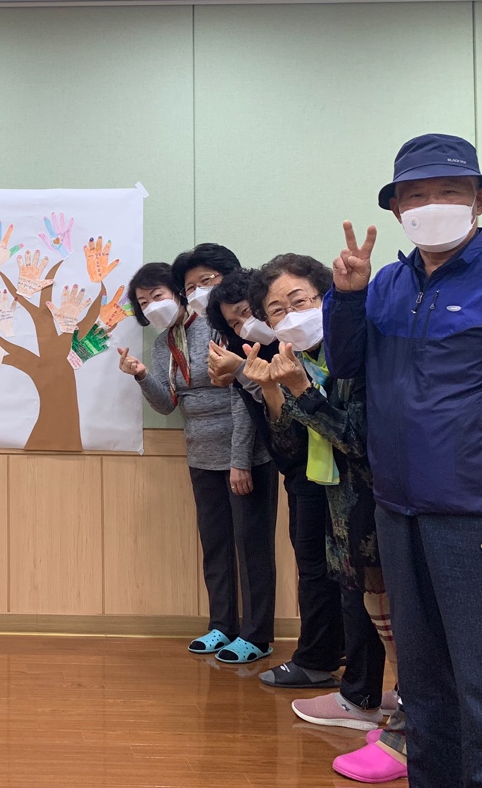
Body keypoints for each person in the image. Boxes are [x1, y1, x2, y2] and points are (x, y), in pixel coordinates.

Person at [326, 133, 482, 788]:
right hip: (399, 513)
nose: (431, 204)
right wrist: (346, 297)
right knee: (423, 688)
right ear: (396, 209)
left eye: (449, 191)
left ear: (480, 201)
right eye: (415, 195)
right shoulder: (385, 284)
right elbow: (346, 368)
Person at [245, 254, 403, 782]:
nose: (291, 315)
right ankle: (380, 705)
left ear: (326, 298)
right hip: (337, 503)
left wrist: (300, 391)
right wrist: (273, 389)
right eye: (277, 310)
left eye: (301, 300)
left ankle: (399, 713)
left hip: (379, 501)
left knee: (395, 614)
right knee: (364, 604)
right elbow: (290, 448)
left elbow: (358, 441)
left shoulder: (355, 353)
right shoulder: (301, 359)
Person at [118, 249, 278, 665]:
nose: (152, 306)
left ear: (177, 293)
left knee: (252, 545)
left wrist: (240, 460)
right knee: (215, 544)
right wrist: (141, 376)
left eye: (157, 295)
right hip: (201, 455)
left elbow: (243, 394)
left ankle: (257, 635)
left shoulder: (220, 326)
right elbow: (168, 405)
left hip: (246, 453)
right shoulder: (165, 343)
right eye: (143, 302)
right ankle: (222, 625)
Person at [204, 270, 347, 694]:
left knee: (344, 574)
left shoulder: (324, 346)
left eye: (247, 314)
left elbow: (323, 416)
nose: (244, 326)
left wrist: (246, 373)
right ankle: (320, 656)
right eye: (234, 323)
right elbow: (282, 427)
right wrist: (248, 377)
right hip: (301, 469)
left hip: (344, 472)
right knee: (313, 565)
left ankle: (335, 664)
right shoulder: (260, 351)